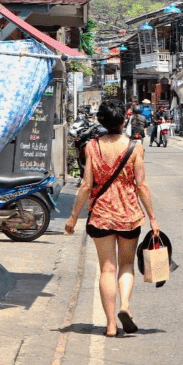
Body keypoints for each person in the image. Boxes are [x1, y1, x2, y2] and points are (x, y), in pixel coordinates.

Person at [65, 97, 158, 337]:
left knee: (107, 269)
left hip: (101, 216)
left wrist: (73, 218)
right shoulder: (135, 147)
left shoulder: (91, 148)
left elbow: (86, 185)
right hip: (129, 216)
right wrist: (153, 218)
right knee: (126, 264)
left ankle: (110, 325)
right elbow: (142, 186)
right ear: (124, 119)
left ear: (101, 120)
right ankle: (125, 306)